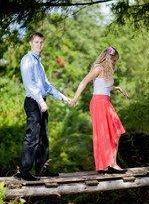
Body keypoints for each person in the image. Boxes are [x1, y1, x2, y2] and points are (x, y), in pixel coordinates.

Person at [15, 32, 71, 181]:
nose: (39, 45)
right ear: (30, 43)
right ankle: (24, 172)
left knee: (43, 137)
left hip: (41, 102)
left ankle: (42, 170)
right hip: (34, 102)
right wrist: (40, 101)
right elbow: (30, 85)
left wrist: (63, 97)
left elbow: (46, 85)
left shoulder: (39, 63)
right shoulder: (27, 60)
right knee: (32, 137)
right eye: (37, 42)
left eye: (41, 42)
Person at [70, 47, 128, 174]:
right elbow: (83, 81)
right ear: (108, 58)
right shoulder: (98, 68)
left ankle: (112, 164)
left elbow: (103, 87)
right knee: (104, 133)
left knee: (116, 131)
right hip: (98, 103)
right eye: (113, 60)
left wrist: (117, 88)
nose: (114, 63)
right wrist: (75, 99)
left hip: (105, 102)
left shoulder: (105, 71)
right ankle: (108, 165)